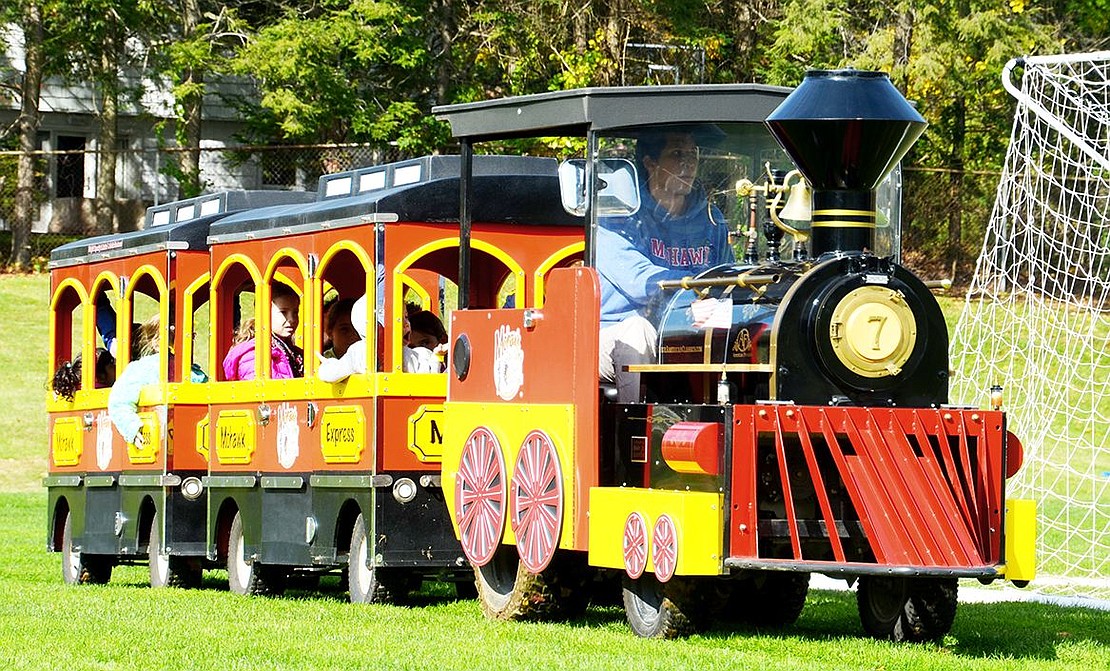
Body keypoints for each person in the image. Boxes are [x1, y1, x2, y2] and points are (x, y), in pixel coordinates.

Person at [596, 129, 734, 402]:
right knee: (638, 331)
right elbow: (639, 281)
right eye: (677, 154)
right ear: (650, 163)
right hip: (611, 331)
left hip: (686, 330)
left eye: (693, 155)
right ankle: (635, 435)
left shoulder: (710, 218)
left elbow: (726, 275)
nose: (689, 164)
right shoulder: (618, 216)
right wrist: (691, 297)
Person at [223, 283, 305, 380]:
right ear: (264, 313)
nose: (292, 319)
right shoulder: (254, 354)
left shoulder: (294, 352)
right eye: (283, 312)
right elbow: (261, 390)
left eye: (295, 312)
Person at [107, 316, 161, 446]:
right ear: (155, 342)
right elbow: (118, 401)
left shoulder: (190, 368)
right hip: (158, 436)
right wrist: (132, 428)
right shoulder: (142, 368)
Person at [50, 348, 115, 401]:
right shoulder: (103, 391)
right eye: (112, 365)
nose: (116, 368)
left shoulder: (75, 389)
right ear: (100, 376)